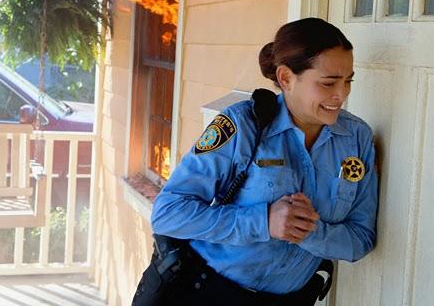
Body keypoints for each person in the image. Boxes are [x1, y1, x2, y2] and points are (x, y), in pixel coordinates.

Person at [149, 17, 378, 305]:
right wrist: (262, 221)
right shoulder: (243, 125)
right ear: (285, 78)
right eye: (329, 82)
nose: (341, 94)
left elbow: (361, 239)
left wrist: (309, 232)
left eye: (348, 81)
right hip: (207, 292)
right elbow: (167, 213)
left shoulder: (356, 138)